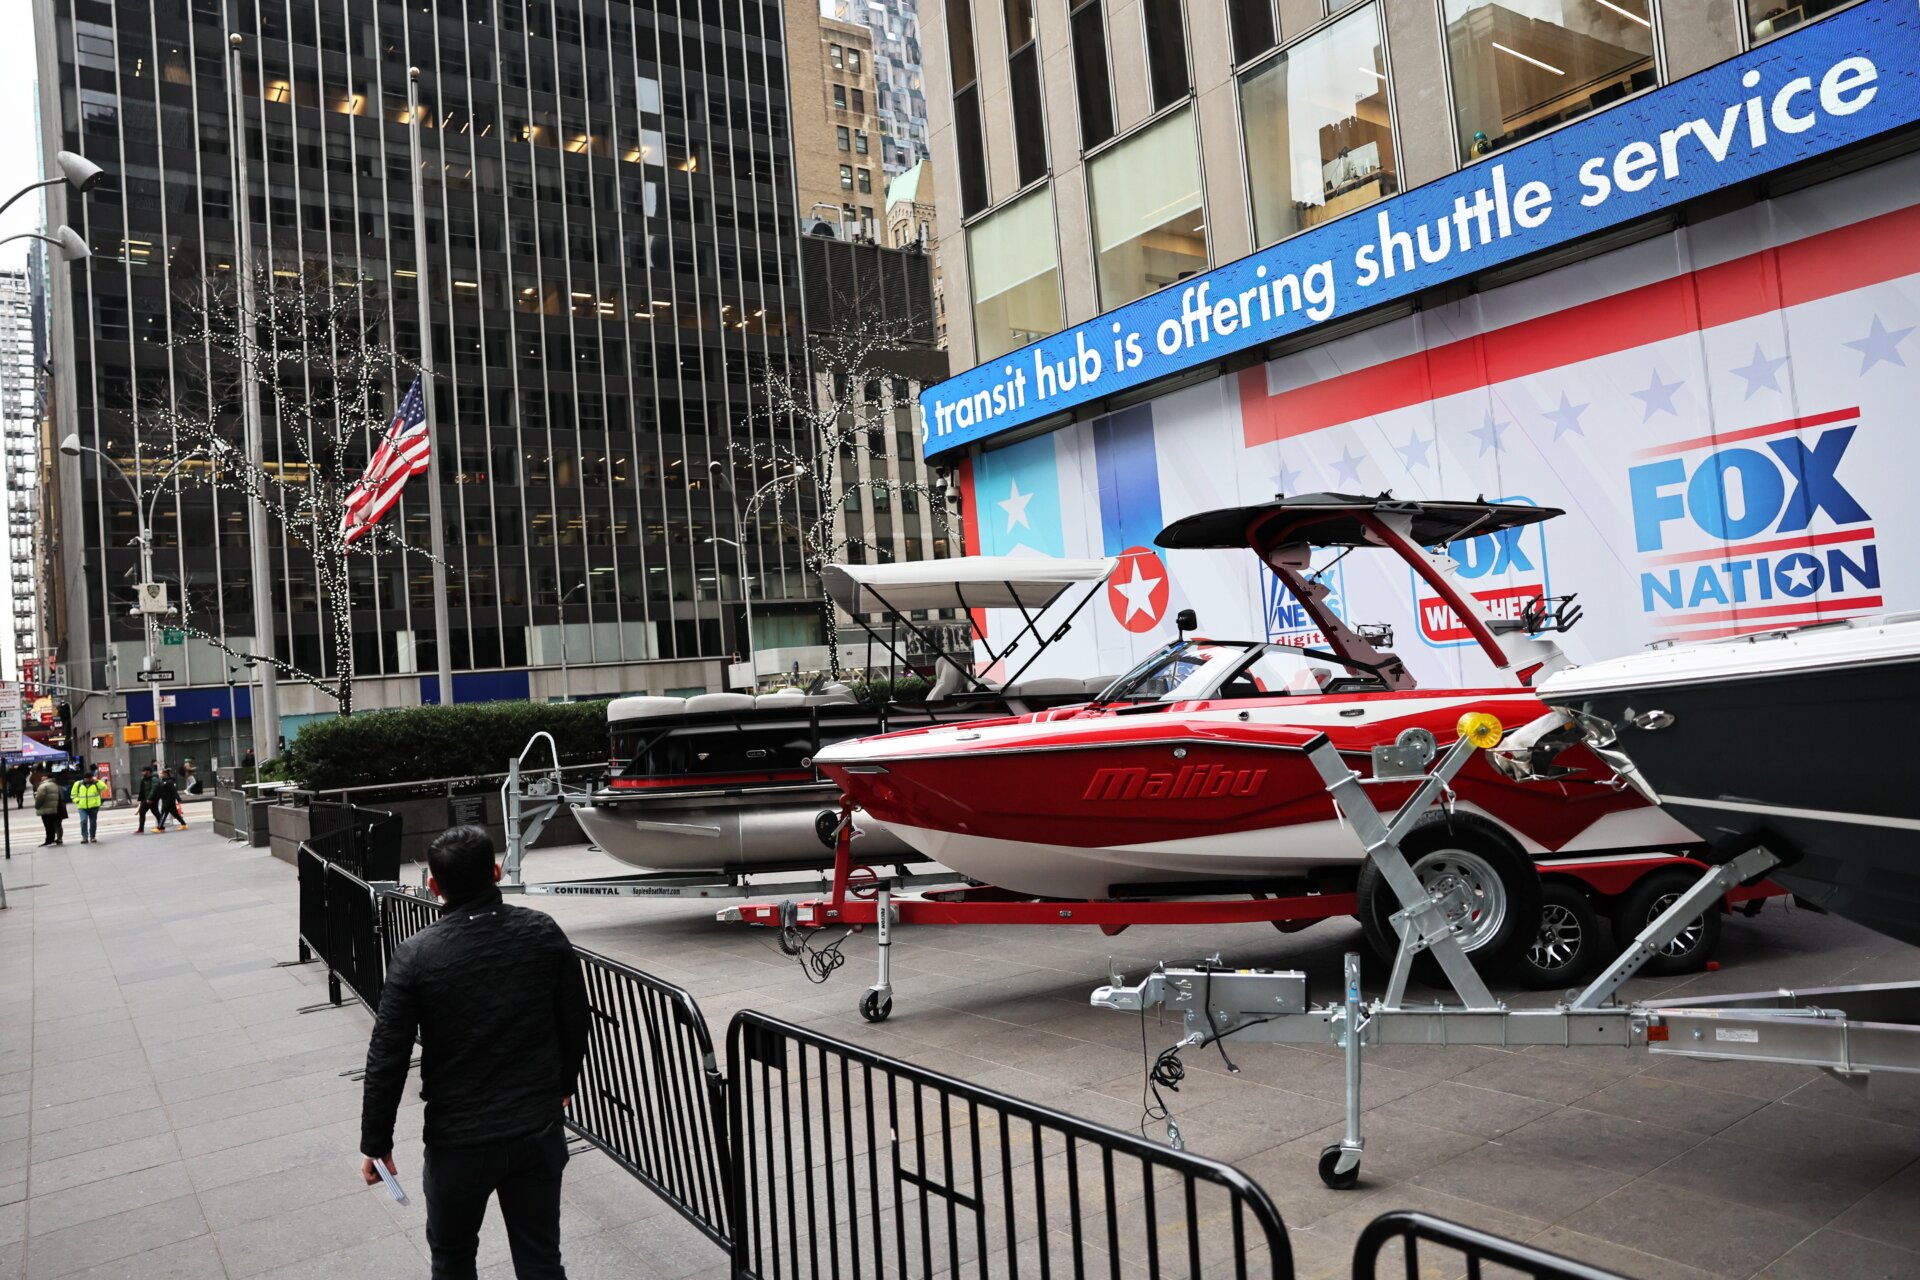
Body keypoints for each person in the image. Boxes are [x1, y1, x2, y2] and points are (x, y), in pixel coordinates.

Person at [360, 826, 589, 1279]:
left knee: (452, 1258)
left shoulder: (416, 955)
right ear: (497, 872)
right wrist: (564, 1084)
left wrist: (376, 1142)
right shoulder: (541, 931)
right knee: (541, 1257)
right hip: (535, 1128)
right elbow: (575, 1017)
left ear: (433, 886)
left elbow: (387, 1055)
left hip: (459, 1142)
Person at [70, 767, 106, 845]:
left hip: (94, 806)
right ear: (84, 778)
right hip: (82, 807)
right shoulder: (78, 784)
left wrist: (98, 781)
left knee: (93, 822)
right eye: (87, 779)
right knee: (83, 821)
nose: (88, 780)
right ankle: (84, 837)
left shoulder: (96, 783)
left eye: (90, 778)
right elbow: (73, 794)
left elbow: (104, 788)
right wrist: (77, 801)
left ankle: (92, 836)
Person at [32, 770, 63, 846]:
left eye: (43, 776)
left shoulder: (43, 785)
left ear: (46, 777)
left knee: (47, 825)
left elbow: (40, 797)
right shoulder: (54, 784)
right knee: (52, 825)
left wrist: (37, 805)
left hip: (45, 808)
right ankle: (52, 839)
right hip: (53, 808)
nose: (42, 777)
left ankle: (48, 840)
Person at [134, 764, 158, 834]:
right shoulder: (143, 779)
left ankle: (161, 826)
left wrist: (150, 798)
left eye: (143, 771)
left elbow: (154, 789)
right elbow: (142, 790)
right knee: (142, 812)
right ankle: (141, 829)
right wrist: (140, 799)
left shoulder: (153, 779)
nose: (142, 773)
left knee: (155, 812)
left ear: (148, 772)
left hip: (152, 799)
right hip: (145, 799)